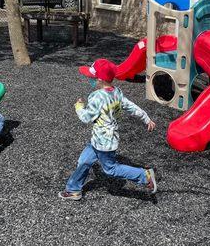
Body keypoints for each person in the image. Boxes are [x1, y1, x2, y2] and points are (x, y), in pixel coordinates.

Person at [59, 58, 157, 201]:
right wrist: (146, 117)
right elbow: (130, 106)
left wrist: (79, 107)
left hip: (104, 143)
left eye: (92, 77)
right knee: (84, 161)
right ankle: (73, 190)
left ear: (99, 79)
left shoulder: (96, 97)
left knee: (111, 169)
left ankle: (144, 176)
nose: (90, 80)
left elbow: (86, 118)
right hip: (100, 139)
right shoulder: (116, 92)